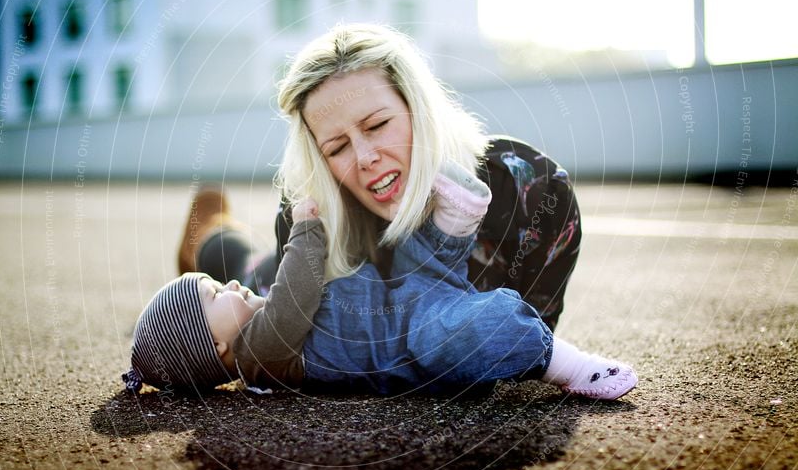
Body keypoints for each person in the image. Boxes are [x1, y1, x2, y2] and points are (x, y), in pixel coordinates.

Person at [178, 23, 581, 332]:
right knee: (246, 271)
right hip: (263, 276)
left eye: (377, 124)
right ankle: (209, 233)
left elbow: (529, 343)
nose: (366, 158)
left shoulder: (534, 193)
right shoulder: (309, 213)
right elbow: (291, 350)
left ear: (417, 106)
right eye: (336, 148)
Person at [124, 164, 637, 399]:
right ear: (215, 346)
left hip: (395, 299)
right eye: (214, 295)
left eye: (215, 286)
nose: (228, 290)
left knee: (424, 267)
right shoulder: (261, 354)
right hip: (408, 331)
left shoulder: (252, 330)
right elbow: (296, 292)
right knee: (248, 265)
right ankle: (207, 241)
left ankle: (452, 221)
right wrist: (307, 230)